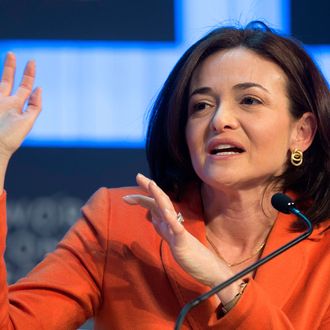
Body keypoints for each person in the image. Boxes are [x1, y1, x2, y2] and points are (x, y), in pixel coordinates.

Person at [0, 21, 329, 329]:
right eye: (201, 105)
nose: (220, 119)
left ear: (302, 133)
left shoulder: (324, 251)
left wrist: (223, 281)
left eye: (249, 100)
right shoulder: (120, 223)